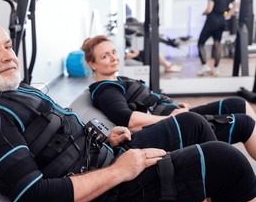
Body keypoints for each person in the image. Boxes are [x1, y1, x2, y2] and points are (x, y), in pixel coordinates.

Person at [0, 19, 256, 202]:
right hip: (105, 197)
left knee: (191, 123)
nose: (8, 57)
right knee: (226, 161)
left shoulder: (15, 90)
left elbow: (56, 137)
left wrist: (107, 139)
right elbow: (35, 196)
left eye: (8, 46)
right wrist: (119, 171)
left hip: (106, 158)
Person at [82, 35, 256, 161]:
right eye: (105, 56)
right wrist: (169, 116)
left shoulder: (119, 80)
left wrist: (172, 105)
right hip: (173, 124)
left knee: (237, 103)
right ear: (92, 64)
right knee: (244, 124)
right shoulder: (106, 90)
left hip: (173, 114)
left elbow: (146, 102)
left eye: (113, 52)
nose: (113, 58)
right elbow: (130, 121)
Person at [197, 0, 238, 76]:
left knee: (200, 43)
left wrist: (203, 13)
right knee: (217, 43)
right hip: (222, 20)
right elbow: (235, 5)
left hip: (212, 20)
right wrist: (227, 15)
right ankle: (216, 68)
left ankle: (205, 66)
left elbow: (209, 9)